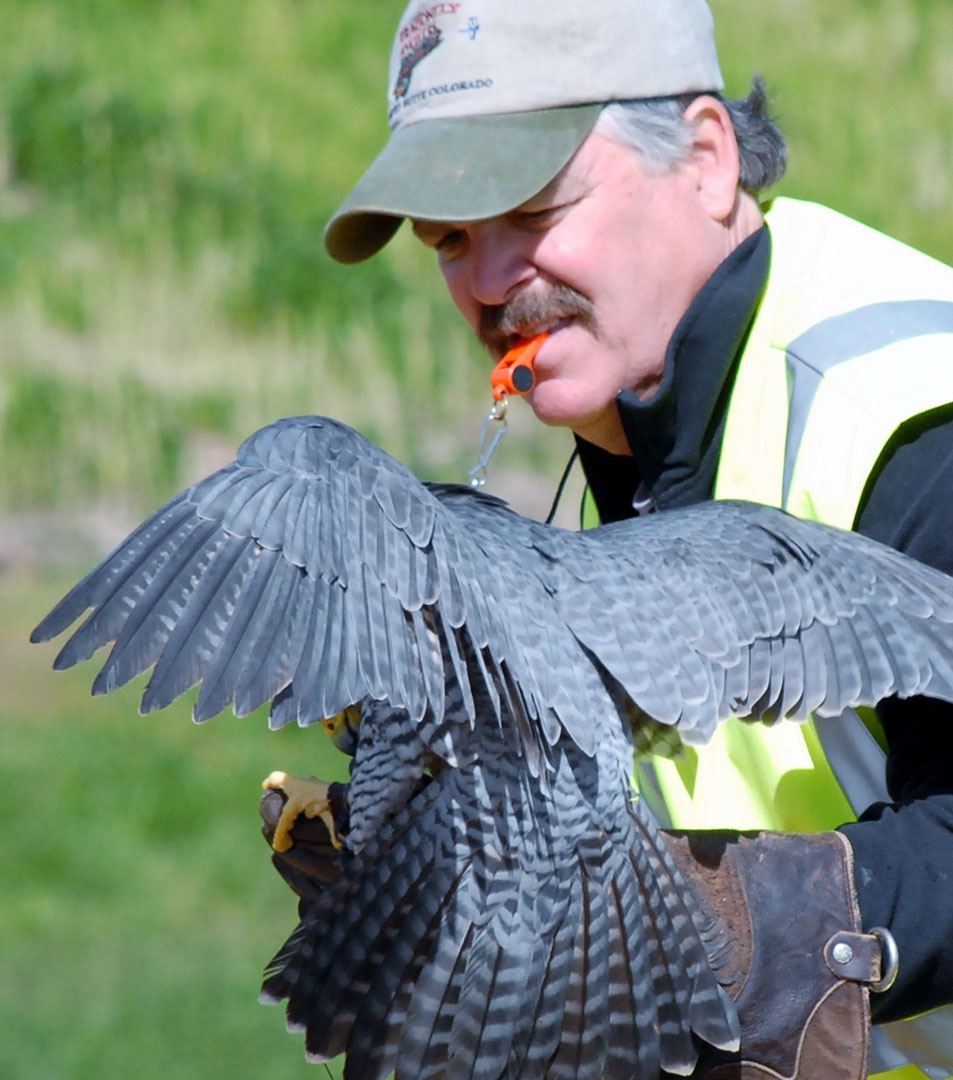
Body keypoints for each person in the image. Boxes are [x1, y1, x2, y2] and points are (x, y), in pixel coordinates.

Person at [317, 1, 953, 1075]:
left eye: (530, 208)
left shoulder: (905, 413)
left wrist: (743, 924)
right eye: (449, 239)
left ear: (706, 159)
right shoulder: (623, 421)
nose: (485, 282)